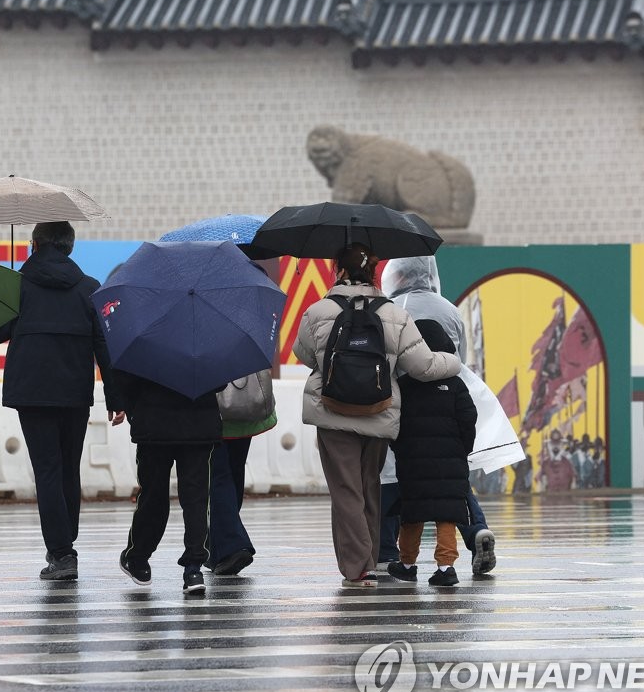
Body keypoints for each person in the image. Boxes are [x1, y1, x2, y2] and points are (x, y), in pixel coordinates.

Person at [294, 244, 460, 588]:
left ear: (339, 271)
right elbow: (423, 366)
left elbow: (304, 354)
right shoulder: (394, 314)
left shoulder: (318, 310)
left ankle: (359, 566)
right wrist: (453, 361)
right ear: (374, 273)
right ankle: (368, 559)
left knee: (346, 490)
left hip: (332, 410)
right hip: (379, 411)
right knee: (369, 487)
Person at [0, 221, 124, 581]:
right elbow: (103, 346)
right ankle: (65, 540)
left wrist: (2, 294)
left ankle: (62, 552)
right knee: (67, 467)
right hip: (73, 392)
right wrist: (115, 395)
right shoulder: (88, 288)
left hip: (32, 392)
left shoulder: (18, 286)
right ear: (70, 247)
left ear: (34, 244)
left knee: (47, 469)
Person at [378, 256, 498, 576]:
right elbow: (461, 363)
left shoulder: (392, 310)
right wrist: (463, 444)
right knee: (451, 489)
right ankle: (466, 542)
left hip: (407, 413)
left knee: (402, 492)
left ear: (398, 276)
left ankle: (395, 555)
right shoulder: (450, 310)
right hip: (445, 421)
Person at [386, 320, 478, 586]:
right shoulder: (456, 384)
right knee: (447, 515)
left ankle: (406, 564)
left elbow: (395, 422)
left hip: (413, 464)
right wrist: (463, 449)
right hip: (451, 464)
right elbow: (468, 418)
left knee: (411, 514)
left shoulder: (405, 385)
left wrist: (400, 449)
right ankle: (446, 567)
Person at [116, 371, 223, 595]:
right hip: (199, 424)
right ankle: (194, 569)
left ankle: (138, 557)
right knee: (196, 499)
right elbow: (220, 382)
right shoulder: (207, 338)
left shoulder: (145, 338)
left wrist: (134, 409)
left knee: (153, 496)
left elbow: (127, 378)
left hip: (154, 423)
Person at [207, 370, 277, 576]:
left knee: (219, 476)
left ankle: (233, 545)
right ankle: (217, 550)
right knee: (234, 474)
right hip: (245, 408)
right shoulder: (247, 337)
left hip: (215, 412)